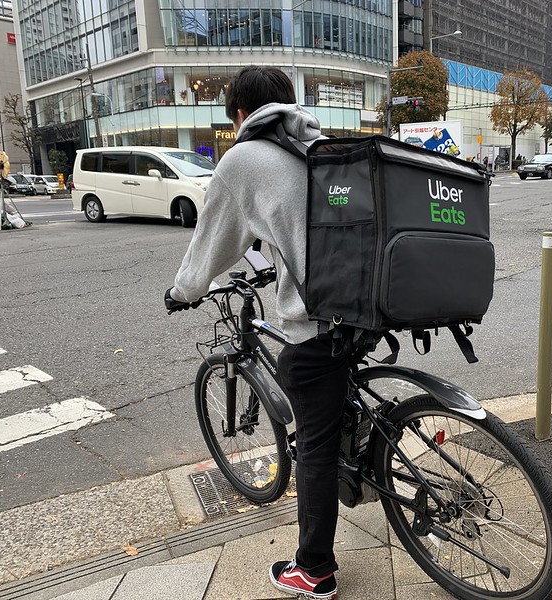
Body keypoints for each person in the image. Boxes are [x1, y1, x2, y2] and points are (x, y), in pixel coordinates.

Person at [165, 66, 344, 600]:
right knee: (333, 398)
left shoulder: (243, 158)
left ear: (240, 114)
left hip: (319, 320)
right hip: (367, 302)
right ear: (288, 104)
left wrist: (183, 292)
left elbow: (211, 244)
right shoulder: (320, 146)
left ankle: (314, 569)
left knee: (313, 438)